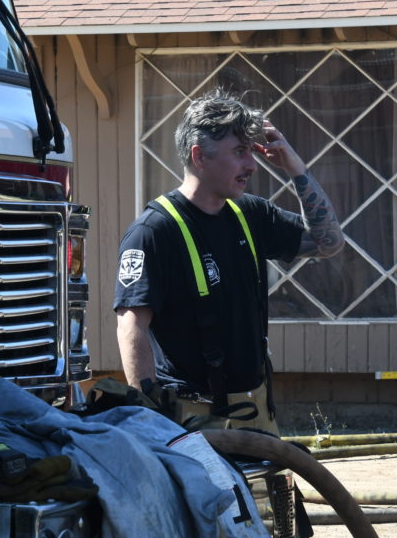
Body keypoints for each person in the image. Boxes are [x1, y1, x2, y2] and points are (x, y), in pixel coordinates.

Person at [114, 89, 344, 434]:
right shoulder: (153, 231)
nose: (251, 164)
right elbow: (131, 328)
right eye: (239, 152)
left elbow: (330, 243)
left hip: (256, 408)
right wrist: (151, 419)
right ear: (199, 156)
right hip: (191, 416)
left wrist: (295, 167)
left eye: (251, 151)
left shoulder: (251, 213)